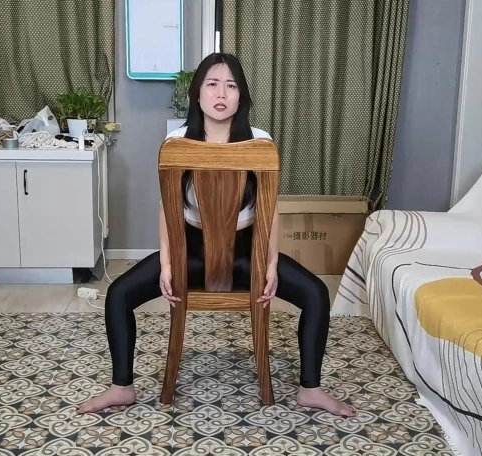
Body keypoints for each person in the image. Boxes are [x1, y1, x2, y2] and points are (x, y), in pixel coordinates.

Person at [78, 52, 356, 417]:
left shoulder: (261, 142)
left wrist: (271, 264)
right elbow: (167, 209)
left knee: (316, 293)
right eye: (212, 84)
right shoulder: (176, 142)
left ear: (241, 97)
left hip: (248, 252)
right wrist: (167, 264)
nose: (221, 93)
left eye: (231, 85)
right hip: (190, 251)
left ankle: (311, 389)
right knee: (118, 294)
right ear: (197, 94)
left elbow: (271, 211)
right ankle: (121, 387)